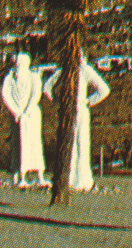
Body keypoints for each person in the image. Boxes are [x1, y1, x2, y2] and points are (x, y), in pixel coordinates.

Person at [43, 53, 110, 192]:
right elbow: (47, 87)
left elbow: (104, 90)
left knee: (76, 143)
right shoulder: (75, 69)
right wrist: (85, 102)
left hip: (75, 109)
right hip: (75, 109)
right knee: (76, 143)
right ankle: (75, 179)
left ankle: (78, 179)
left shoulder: (80, 69)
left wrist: (86, 101)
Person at [0, 52, 48, 187]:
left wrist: (26, 111)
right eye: (17, 63)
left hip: (31, 115)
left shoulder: (33, 77)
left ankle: (40, 175)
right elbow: (5, 95)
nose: (18, 65)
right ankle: (19, 175)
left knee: (34, 144)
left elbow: (35, 94)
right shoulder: (10, 78)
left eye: (20, 62)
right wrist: (16, 112)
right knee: (18, 144)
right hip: (17, 116)